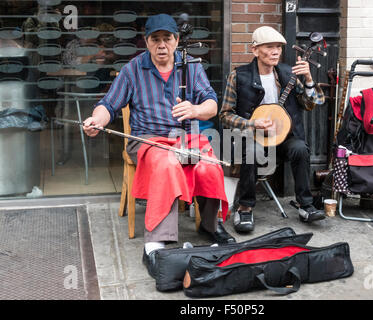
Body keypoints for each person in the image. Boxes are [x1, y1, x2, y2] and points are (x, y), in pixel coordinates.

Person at [82, 14, 235, 261]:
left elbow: (212, 104)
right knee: (167, 163)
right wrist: (96, 121)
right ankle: (155, 242)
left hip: (185, 139)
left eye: (167, 38)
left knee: (209, 166)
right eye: (155, 39)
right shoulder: (133, 69)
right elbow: (108, 105)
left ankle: (210, 225)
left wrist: (195, 110)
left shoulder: (192, 65)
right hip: (147, 140)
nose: (161, 45)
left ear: (176, 41)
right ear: (146, 41)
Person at [219, 26, 326, 233]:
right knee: (251, 151)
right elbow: (225, 115)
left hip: (284, 137)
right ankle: (245, 207)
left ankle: (306, 205)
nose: (276, 51)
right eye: (269, 47)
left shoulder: (288, 73)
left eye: (278, 47)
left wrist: (310, 80)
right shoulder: (238, 76)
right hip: (253, 137)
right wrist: (252, 124)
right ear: (255, 50)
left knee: (300, 149)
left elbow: (312, 103)